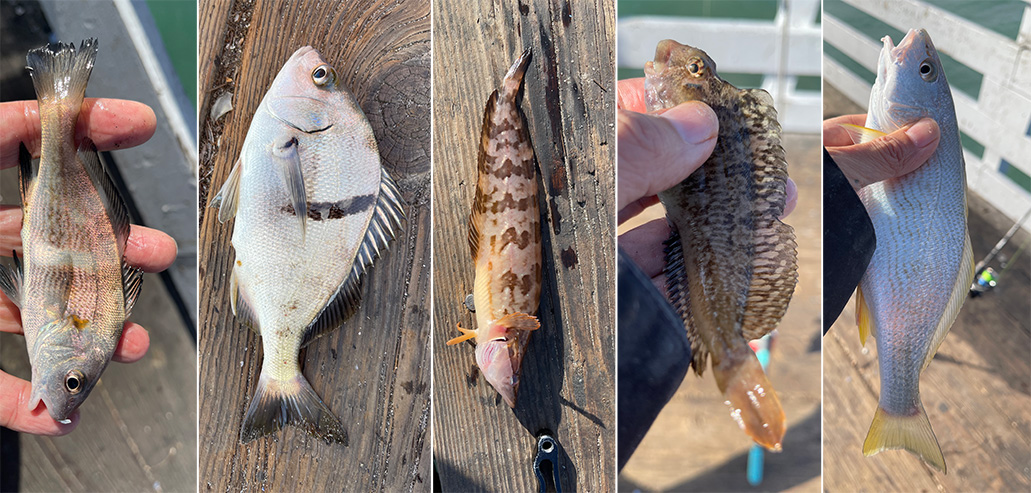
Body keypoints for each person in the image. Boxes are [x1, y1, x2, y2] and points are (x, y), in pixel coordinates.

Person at [0, 99, 177, 436]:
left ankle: (58, 115)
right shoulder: (66, 323)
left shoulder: (67, 325)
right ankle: (60, 112)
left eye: (75, 384)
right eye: (71, 382)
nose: (68, 391)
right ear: (73, 338)